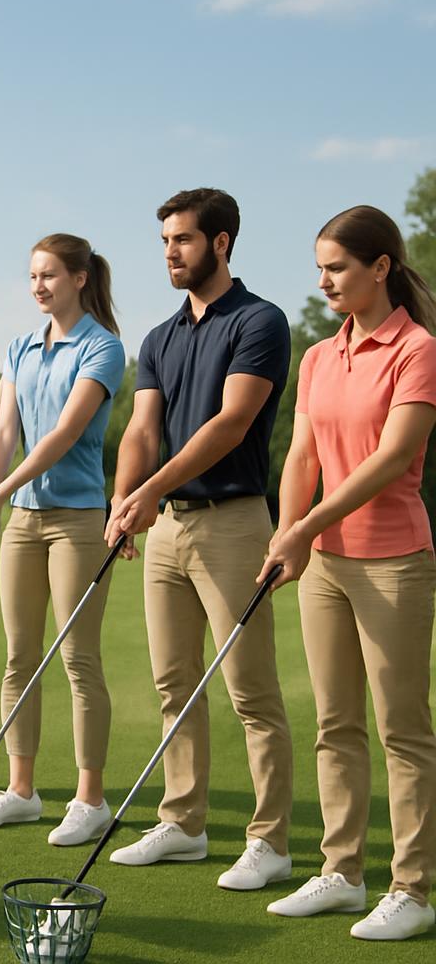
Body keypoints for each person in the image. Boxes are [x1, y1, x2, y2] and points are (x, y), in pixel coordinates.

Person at [105, 188, 294, 890]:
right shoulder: (158, 338)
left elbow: (231, 424)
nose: (169, 254)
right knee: (173, 684)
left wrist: (150, 489)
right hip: (168, 530)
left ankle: (270, 842)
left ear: (220, 243)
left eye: (182, 240)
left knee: (251, 691)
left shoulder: (260, 321)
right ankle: (183, 824)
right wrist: (126, 499)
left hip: (235, 523)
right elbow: (142, 429)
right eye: (163, 242)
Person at [261, 206, 436, 941]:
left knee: (401, 729)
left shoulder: (419, 347)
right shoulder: (319, 356)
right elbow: (301, 454)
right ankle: (342, 872)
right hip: (327, 563)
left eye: (336, 267)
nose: (325, 281)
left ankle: (415, 888)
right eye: (320, 269)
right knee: (335, 724)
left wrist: (304, 526)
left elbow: (393, 458)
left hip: (394, 558)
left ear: (380, 267)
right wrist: (286, 534)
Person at [0, 233, 125, 846]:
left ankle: (90, 799)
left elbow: (61, 434)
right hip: (24, 519)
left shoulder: (103, 349)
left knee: (78, 659)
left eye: (49, 275)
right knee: (18, 658)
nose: (38, 286)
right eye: (33, 276)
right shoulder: (19, 346)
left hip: (78, 519)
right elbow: (3, 430)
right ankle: (21, 791)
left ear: (80, 278)